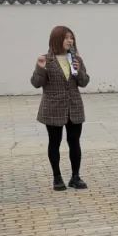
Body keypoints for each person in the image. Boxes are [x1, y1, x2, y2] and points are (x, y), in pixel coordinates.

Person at [31, 25, 90, 191]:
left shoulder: (76, 59)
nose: (69, 41)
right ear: (56, 39)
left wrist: (79, 72)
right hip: (53, 108)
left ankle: (75, 177)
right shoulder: (46, 59)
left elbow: (84, 83)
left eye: (71, 37)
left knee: (74, 142)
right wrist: (39, 68)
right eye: (66, 37)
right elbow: (36, 83)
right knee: (54, 142)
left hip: (74, 106)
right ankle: (57, 178)